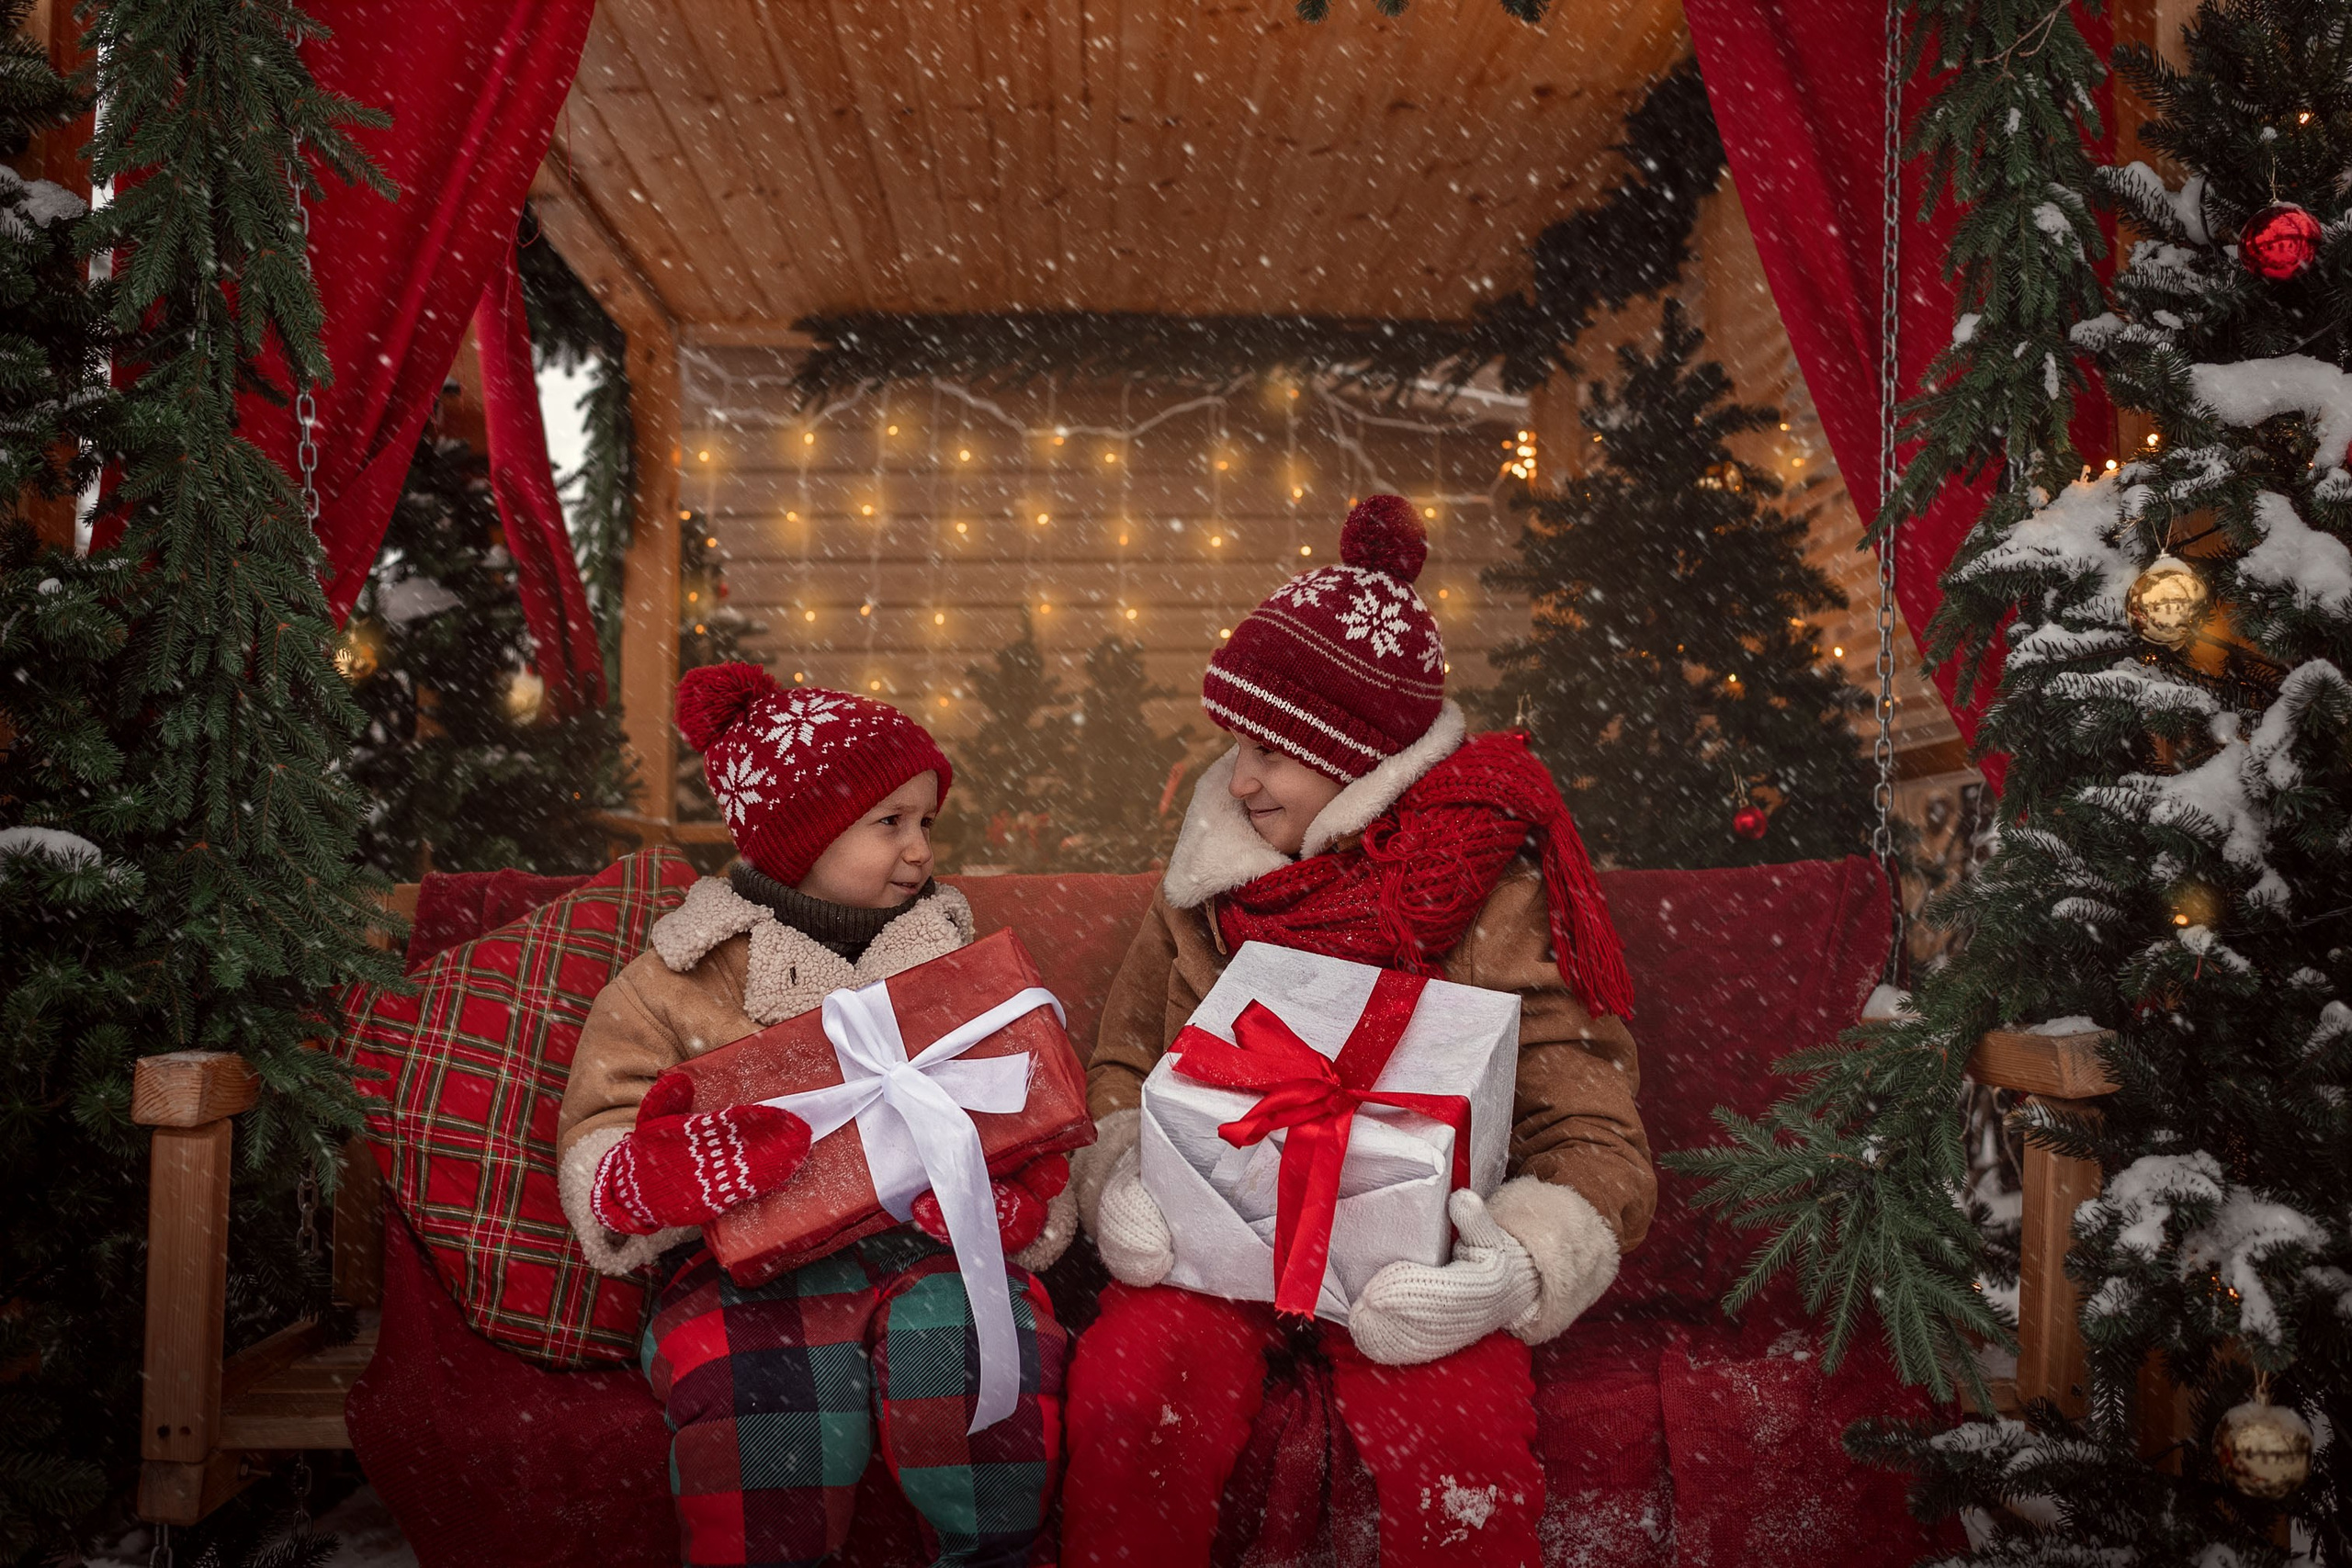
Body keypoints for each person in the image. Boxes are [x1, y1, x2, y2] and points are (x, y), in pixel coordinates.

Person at [1060, 495, 1656, 1568]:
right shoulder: (1204, 887)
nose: (1239, 780)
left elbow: (1591, 1128)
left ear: (1365, 762)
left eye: (1274, 754)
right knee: (1128, 1393)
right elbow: (1122, 1064)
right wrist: (1121, 1182)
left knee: (1460, 1451)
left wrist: (1512, 1266)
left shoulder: (1496, 897)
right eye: (1236, 744)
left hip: (1408, 1275)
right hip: (1215, 1252)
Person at [556, 664, 1073, 1568]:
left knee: (974, 1360)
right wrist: (640, 1177)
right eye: (889, 824)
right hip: (748, 1270)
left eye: (926, 824)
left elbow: (1029, 1102)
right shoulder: (680, 977)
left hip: (934, 1251)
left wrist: (1022, 1203)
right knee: (758, 1391)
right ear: (798, 839)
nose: (919, 851)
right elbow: (605, 1114)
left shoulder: (955, 962)